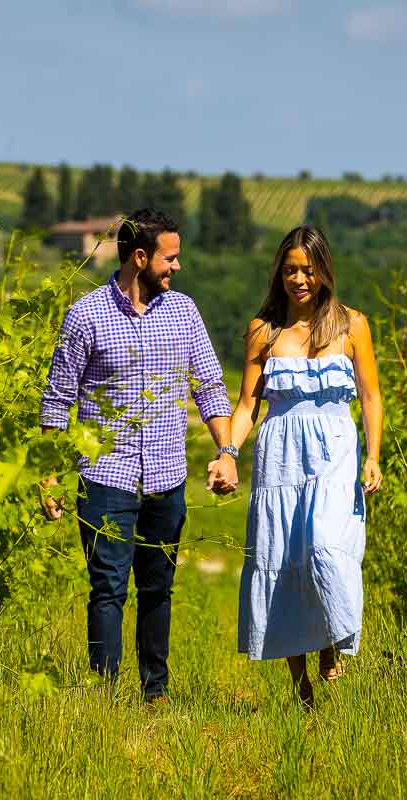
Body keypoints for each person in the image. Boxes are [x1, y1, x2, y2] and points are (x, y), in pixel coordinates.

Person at [39, 208, 239, 703]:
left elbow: (211, 386)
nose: (177, 267)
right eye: (170, 258)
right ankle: (103, 698)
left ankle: (156, 693)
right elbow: (58, 398)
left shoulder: (184, 312)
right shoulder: (85, 315)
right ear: (140, 257)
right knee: (107, 588)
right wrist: (48, 474)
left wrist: (227, 450)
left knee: (158, 587)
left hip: (167, 476)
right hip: (106, 475)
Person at [217, 224, 383, 708]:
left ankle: (331, 638)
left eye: (307, 270)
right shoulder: (263, 331)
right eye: (290, 270)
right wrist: (227, 454)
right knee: (284, 556)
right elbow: (247, 406)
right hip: (279, 452)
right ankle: (299, 683)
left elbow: (371, 396)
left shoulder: (353, 326)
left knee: (326, 547)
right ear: (278, 273)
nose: (299, 279)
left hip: (334, 447)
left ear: (324, 270)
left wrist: (373, 456)